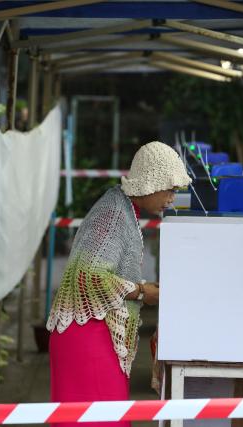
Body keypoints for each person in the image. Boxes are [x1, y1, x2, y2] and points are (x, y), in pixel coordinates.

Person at [46, 141, 191, 425]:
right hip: (87, 335)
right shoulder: (113, 213)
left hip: (91, 333)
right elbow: (87, 276)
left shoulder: (123, 208)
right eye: (170, 189)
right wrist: (140, 291)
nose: (173, 197)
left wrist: (143, 288)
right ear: (152, 182)